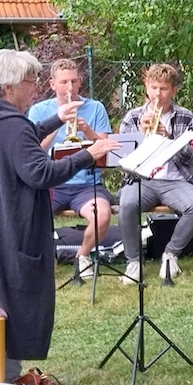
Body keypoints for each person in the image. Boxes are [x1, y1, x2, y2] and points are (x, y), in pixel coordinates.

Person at [0, 50, 119, 380]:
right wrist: (89, 154)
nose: (36, 91)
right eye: (32, 83)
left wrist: (57, 119)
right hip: (9, 230)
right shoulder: (10, 124)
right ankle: (5, 382)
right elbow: (41, 174)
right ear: (10, 87)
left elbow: (20, 138)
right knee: (13, 303)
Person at [117, 63, 193, 285]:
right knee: (126, 204)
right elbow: (122, 158)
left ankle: (171, 254)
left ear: (174, 90)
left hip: (175, 180)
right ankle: (134, 262)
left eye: (164, 89)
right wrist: (140, 134)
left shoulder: (186, 117)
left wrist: (168, 138)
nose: (158, 94)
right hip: (142, 179)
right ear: (146, 87)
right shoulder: (132, 117)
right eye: (154, 87)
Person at [27, 59, 113, 279]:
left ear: (80, 81)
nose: (70, 87)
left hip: (85, 183)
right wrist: (56, 124)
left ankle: (82, 257)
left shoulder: (95, 108)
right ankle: (37, 261)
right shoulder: (39, 110)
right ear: (52, 84)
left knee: (102, 216)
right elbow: (33, 151)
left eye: (74, 81)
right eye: (64, 82)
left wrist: (88, 130)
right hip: (50, 181)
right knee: (26, 215)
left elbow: (105, 149)